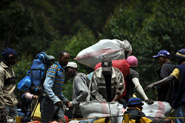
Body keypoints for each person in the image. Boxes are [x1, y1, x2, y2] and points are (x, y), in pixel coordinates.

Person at [145, 49, 185, 123]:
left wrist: (153, 84)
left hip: (179, 101)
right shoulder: (172, 66)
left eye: (178, 58)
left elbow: (168, 79)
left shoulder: (177, 68)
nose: (176, 60)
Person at [40, 50, 70, 123]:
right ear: (59, 58)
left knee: (62, 121)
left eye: (68, 59)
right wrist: (55, 99)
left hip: (57, 102)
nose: (67, 61)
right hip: (48, 101)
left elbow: (57, 90)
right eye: (65, 58)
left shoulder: (61, 70)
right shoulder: (54, 68)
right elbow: (46, 85)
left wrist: (65, 100)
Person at [0, 47, 18, 122]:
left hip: (12, 103)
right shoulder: (1, 70)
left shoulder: (10, 69)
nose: (15, 60)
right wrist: (1, 109)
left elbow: (11, 88)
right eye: (13, 58)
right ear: (8, 58)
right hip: (5, 105)